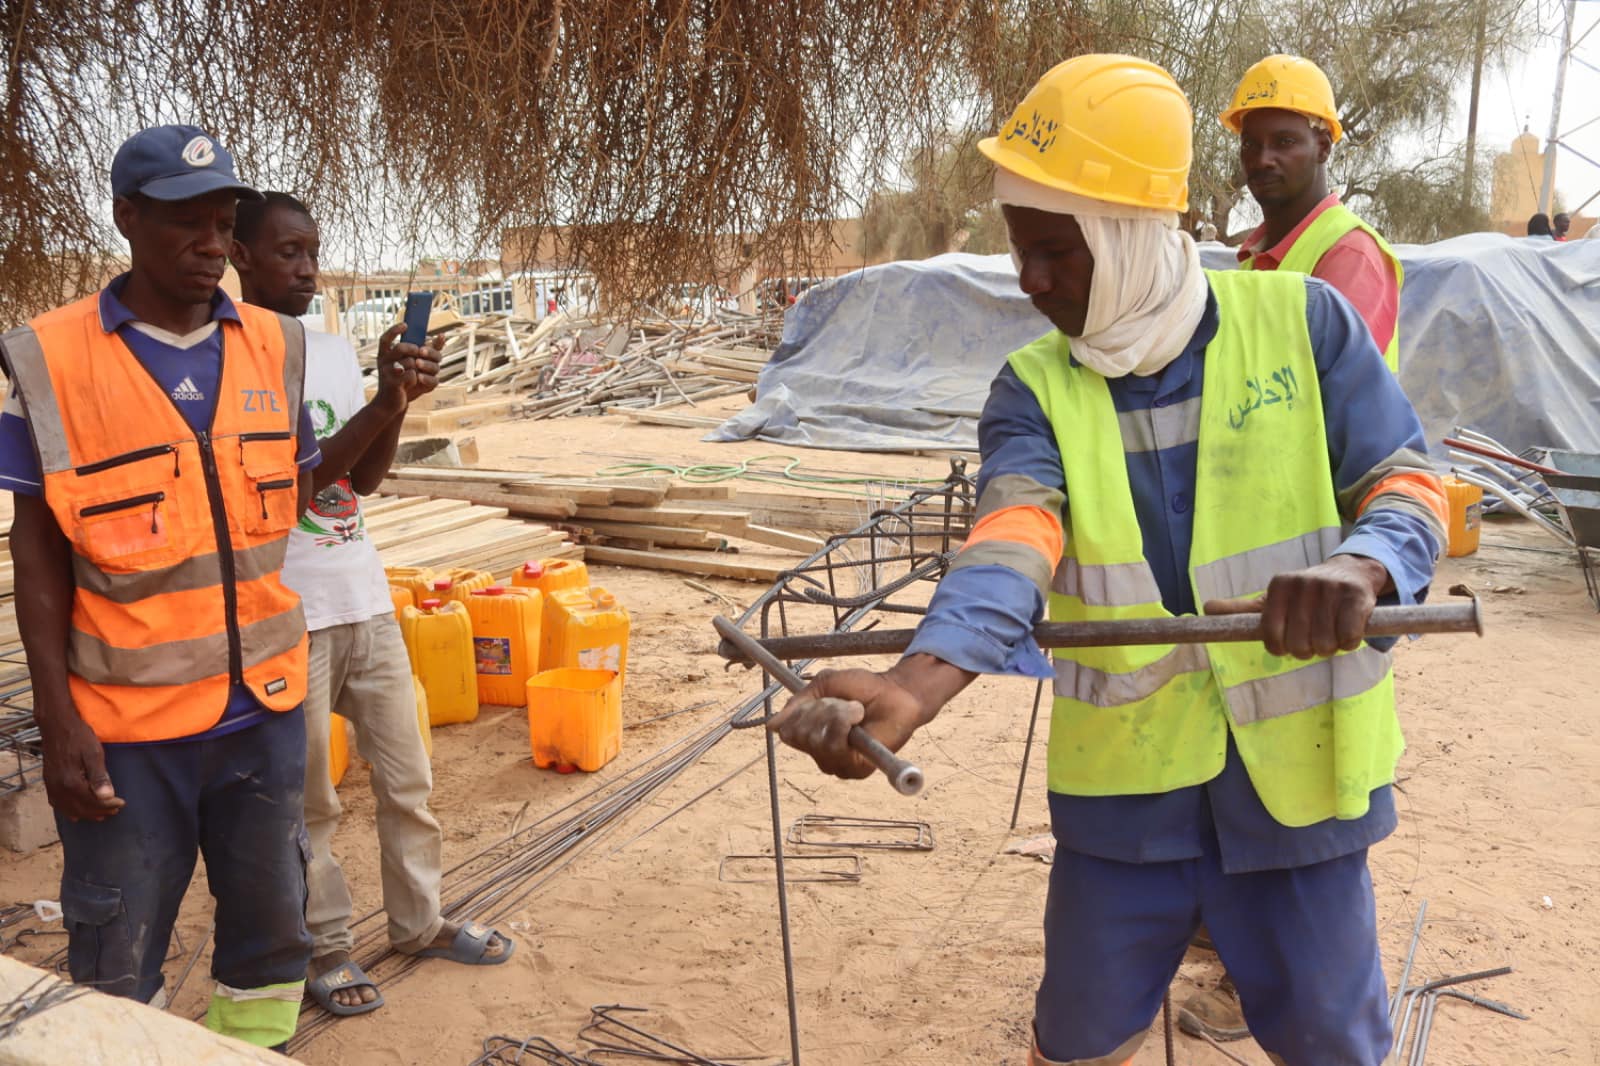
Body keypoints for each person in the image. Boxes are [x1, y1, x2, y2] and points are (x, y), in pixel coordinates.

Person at [767, 55, 1448, 1066]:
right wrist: (916, 683)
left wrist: (1365, 568)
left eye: (1055, 251)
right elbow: (1012, 539)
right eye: (1019, 252)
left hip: (1299, 789)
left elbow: (1407, 482)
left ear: (1132, 236)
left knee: (1331, 1043)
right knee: (1080, 1039)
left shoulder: (1302, 325)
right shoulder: (1033, 389)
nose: (1030, 281)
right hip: (1127, 802)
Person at [0, 126, 320, 1049]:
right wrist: (60, 726)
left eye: (223, 225)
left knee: (269, 945)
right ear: (128, 218)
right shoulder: (48, 361)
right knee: (115, 959)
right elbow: (38, 554)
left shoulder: (276, 347)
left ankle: (254, 1049)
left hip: (261, 716)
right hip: (125, 735)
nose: (214, 247)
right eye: (188, 225)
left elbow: (295, 500)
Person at [230, 191, 515, 1017]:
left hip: (363, 593)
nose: (307, 267)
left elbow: (362, 480)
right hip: (290, 614)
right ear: (240, 256)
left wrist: (396, 401)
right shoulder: (236, 362)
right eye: (286, 251)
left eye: (313, 250)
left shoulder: (326, 349)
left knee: (409, 779)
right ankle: (324, 953)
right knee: (311, 802)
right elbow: (298, 486)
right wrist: (381, 404)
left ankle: (418, 924)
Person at [1223, 55, 1403, 373]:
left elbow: (1337, 392)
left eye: (1284, 142)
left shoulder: (1349, 254)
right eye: (1250, 144)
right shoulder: (1254, 257)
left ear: (1322, 147)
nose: (1263, 159)